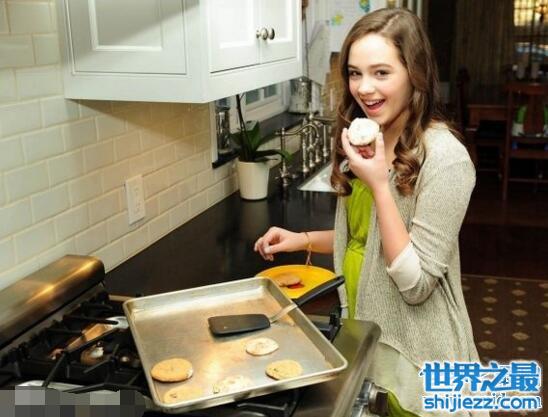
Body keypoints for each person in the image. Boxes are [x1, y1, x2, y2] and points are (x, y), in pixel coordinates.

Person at [254, 8, 483, 417]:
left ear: (415, 74)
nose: (364, 87)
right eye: (355, 73)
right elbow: (367, 238)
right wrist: (302, 240)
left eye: (381, 73)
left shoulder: (446, 159)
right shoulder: (367, 140)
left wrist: (379, 184)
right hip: (367, 334)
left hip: (417, 356)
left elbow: (416, 284)